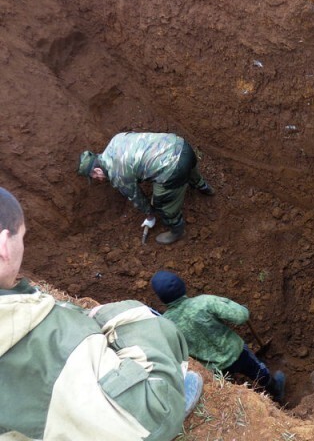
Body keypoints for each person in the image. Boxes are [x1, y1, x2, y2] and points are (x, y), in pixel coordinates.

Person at [0, 187, 203, 440]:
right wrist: (112, 315)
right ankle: (170, 394)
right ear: (3, 247)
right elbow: (237, 314)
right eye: (22, 237)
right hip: (137, 421)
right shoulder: (56, 344)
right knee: (139, 317)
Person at [150, 270, 286, 404]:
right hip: (236, 353)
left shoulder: (167, 324)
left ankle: (244, 400)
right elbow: (241, 316)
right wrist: (242, 309)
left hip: (213, 367)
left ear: (161, 299)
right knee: (257, 371)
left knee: (229, 387)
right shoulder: (204, 302)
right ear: (182, 285)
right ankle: (275, 390)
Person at [77, 132, 215, 245]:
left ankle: (177, 230)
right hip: (181, 145)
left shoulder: (116, 174)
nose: (98, 180)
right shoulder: (115, 140)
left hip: (173, 167)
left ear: (96, 171)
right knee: (187, 168)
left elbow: (137, 197)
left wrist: (150, 214)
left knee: (162, 203)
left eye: (94, 177)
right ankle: (202, 186)